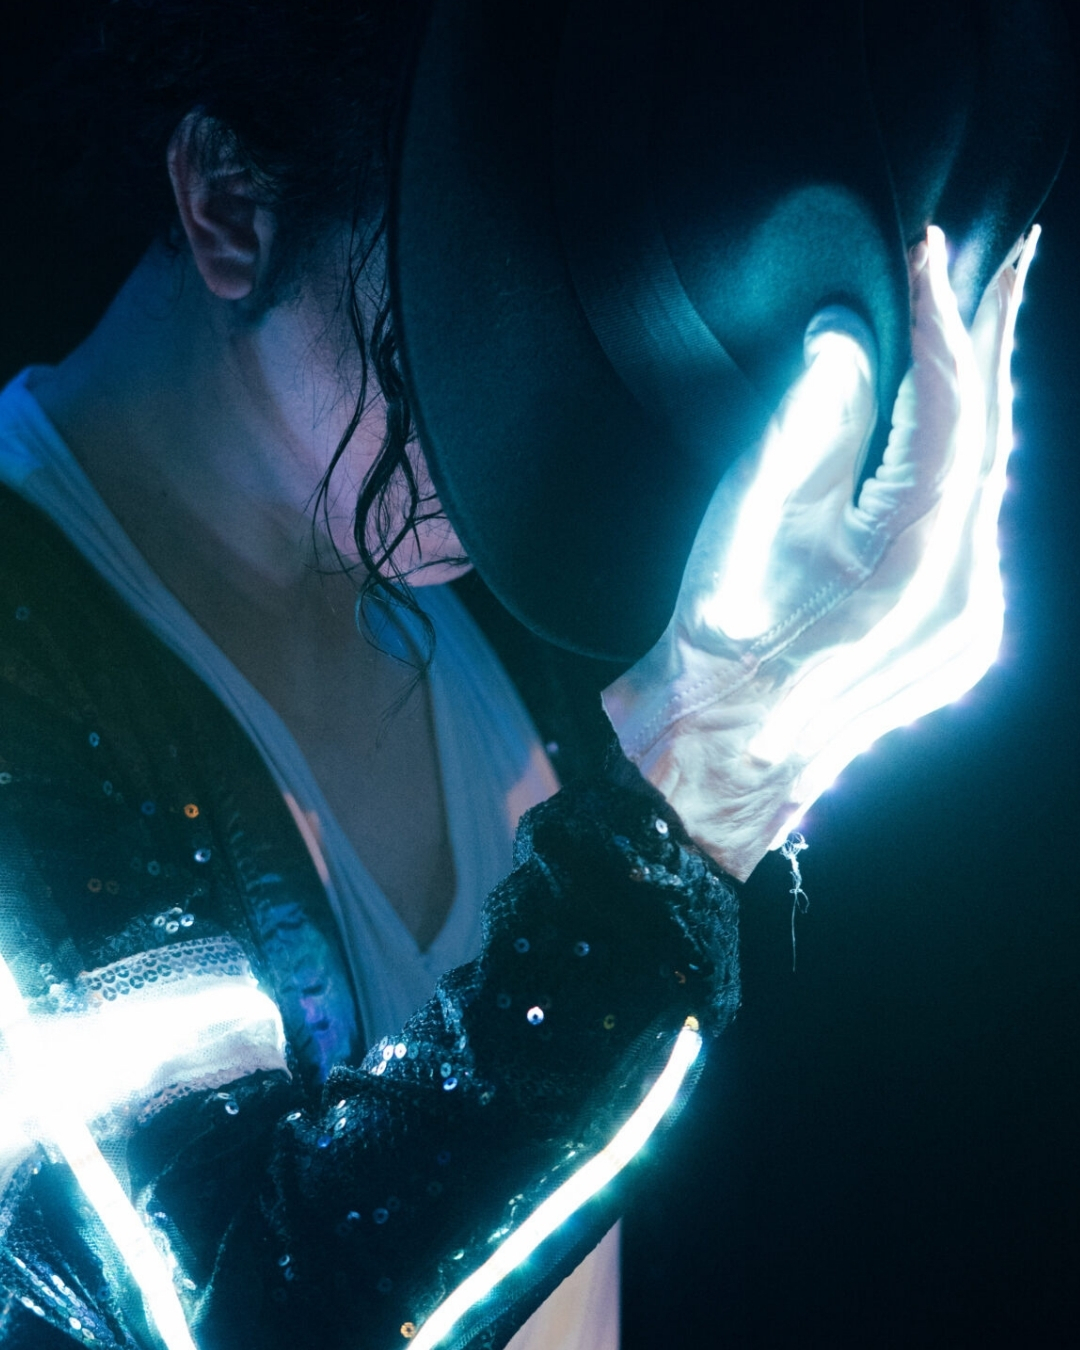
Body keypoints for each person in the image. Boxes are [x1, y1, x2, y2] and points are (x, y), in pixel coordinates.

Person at [0, 2, 1053, 1348]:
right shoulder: (30, 665)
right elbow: (252, 1310)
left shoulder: (489, 610)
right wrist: (683, 819)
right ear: (230, 206)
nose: (535, 437)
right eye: (467, 320)